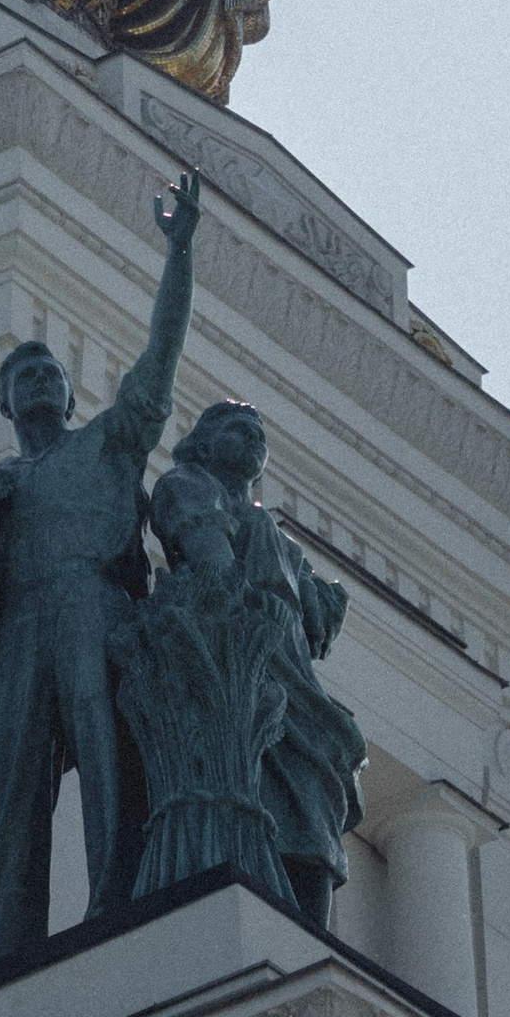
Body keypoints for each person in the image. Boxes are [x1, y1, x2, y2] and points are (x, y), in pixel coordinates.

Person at [0, 169, 200, 968]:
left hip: (91, 602)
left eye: (49, 373)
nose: (37, 380)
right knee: (10, 784)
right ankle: (7, 944)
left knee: (105, 750)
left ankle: (118, 896)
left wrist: (179, 254)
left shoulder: (104, 444)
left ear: (70, 396)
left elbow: (160, 356)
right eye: (22, 376)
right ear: (6, 404)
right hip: (20, 627)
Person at [146, 398, 365, 932]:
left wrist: (326, 601)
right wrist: (252, 605)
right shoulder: (188, 485)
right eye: (235, 427)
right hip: (240, 661)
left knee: (320, 776)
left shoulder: (278, 538)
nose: (251, 438)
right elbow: (211, 558)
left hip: (291, 673)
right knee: (265, 777)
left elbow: (316, 622)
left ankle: (310, 934)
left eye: (258, 434)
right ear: (200, 442)